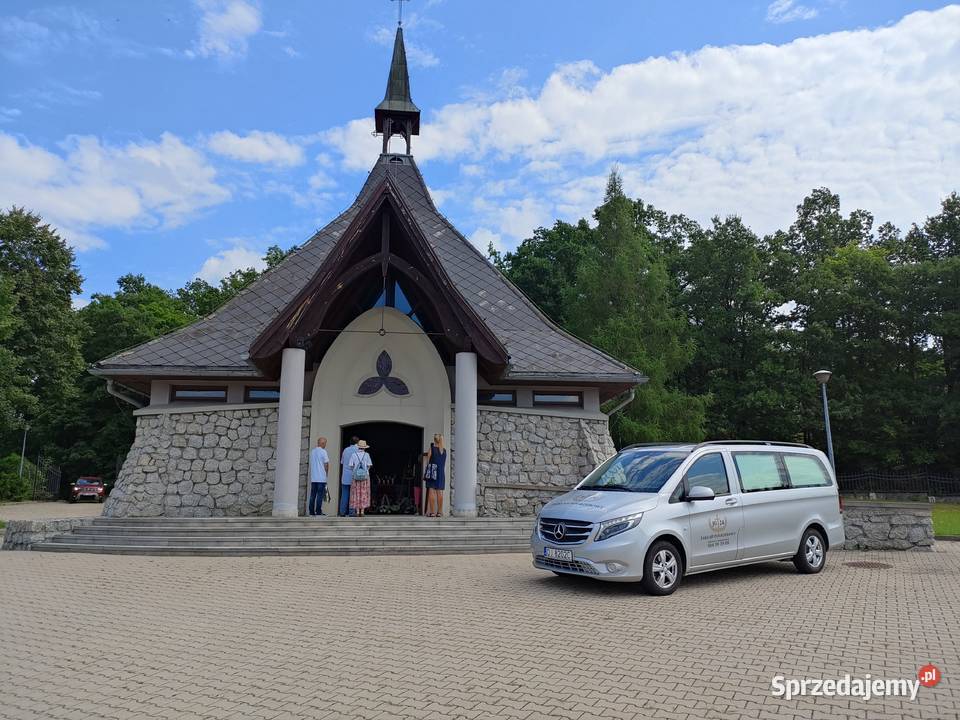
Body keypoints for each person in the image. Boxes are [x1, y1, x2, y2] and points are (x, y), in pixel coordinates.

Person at [423, 433, 447, 517]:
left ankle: (432, 512)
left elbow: (428, 461)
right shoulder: (444, 451)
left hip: (433, 471)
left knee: (431, 491)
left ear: (434, 440)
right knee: (439, 491)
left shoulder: (432, 449)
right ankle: (440, 512)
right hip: (441, 472)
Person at [348, 440, 373, 517]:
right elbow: (369, 465)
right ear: (364, 448)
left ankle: (357, 511)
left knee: (356, 493)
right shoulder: (367, 455)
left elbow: (351, 465)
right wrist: (364, 471)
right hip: (365, 477)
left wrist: (356, 471)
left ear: (358, 447)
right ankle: (362, 511)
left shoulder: (353, 455)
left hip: (355, 477)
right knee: (364, 493)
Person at [308, 437, 329, 516]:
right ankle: (318, 512)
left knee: (312, 495)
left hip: (314, 477)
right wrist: (326, 473)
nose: (325, 445)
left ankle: (311, 512)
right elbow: (326, 464)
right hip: (321, 477)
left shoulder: (312, 452)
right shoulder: (324, 452)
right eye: (325, 443)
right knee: (320, 495)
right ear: (322, 443)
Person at [339, 435, 359, 517]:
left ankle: (342, 512)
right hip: (354, 476)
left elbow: (342, 462)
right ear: (357, 443)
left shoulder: (345, 450)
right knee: (353, 494)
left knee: (344, 494)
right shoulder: (358, 450)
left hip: (345, 476)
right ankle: (351, 512)